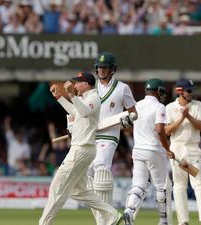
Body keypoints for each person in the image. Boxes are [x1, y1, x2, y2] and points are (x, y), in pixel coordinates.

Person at [39, 72, 123, 225]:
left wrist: (71, 94)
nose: (75, 85)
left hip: (82, 149)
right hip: (81, 149)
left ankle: (44, 223)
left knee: (57, 185)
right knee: (79, 191)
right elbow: (76, 112)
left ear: (86, 84)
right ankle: (112, 215)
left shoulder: (94, 98)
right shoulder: (84, 99)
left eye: (78, 82)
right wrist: (60, 97)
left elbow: (84, 112)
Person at [88, 51, 137, 224]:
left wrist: (126, 121)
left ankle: (105, 221)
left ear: (112, 69)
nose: (102, 70)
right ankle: (108, 218)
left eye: (105, 67)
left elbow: (133, 114)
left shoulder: (122, 88)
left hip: (109, 135)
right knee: (84, 177)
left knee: (101, 170)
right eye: (100, 67)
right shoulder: (90, 87)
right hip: (90, 134)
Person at [123, 78, 175, 225]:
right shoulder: (159, 107)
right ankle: (164, 220)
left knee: (138, 185)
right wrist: (167, 149)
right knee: (162, 187)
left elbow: (127, 126)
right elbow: (160, 130)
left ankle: (129, 211)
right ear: (159, 91)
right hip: (154, 150)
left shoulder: (136, 105)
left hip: (138, 150)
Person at [165, 78, 201, 225]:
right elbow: (166, 130)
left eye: (192, 90)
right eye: (189, 90)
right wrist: (181, 118)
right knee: (179, 185)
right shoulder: (170, 107)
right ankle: (183, 221)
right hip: (177, 149)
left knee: (199, 183)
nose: (191, 93)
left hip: (192, 149)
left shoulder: (198, 105)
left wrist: (189, 116)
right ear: (179, 91)